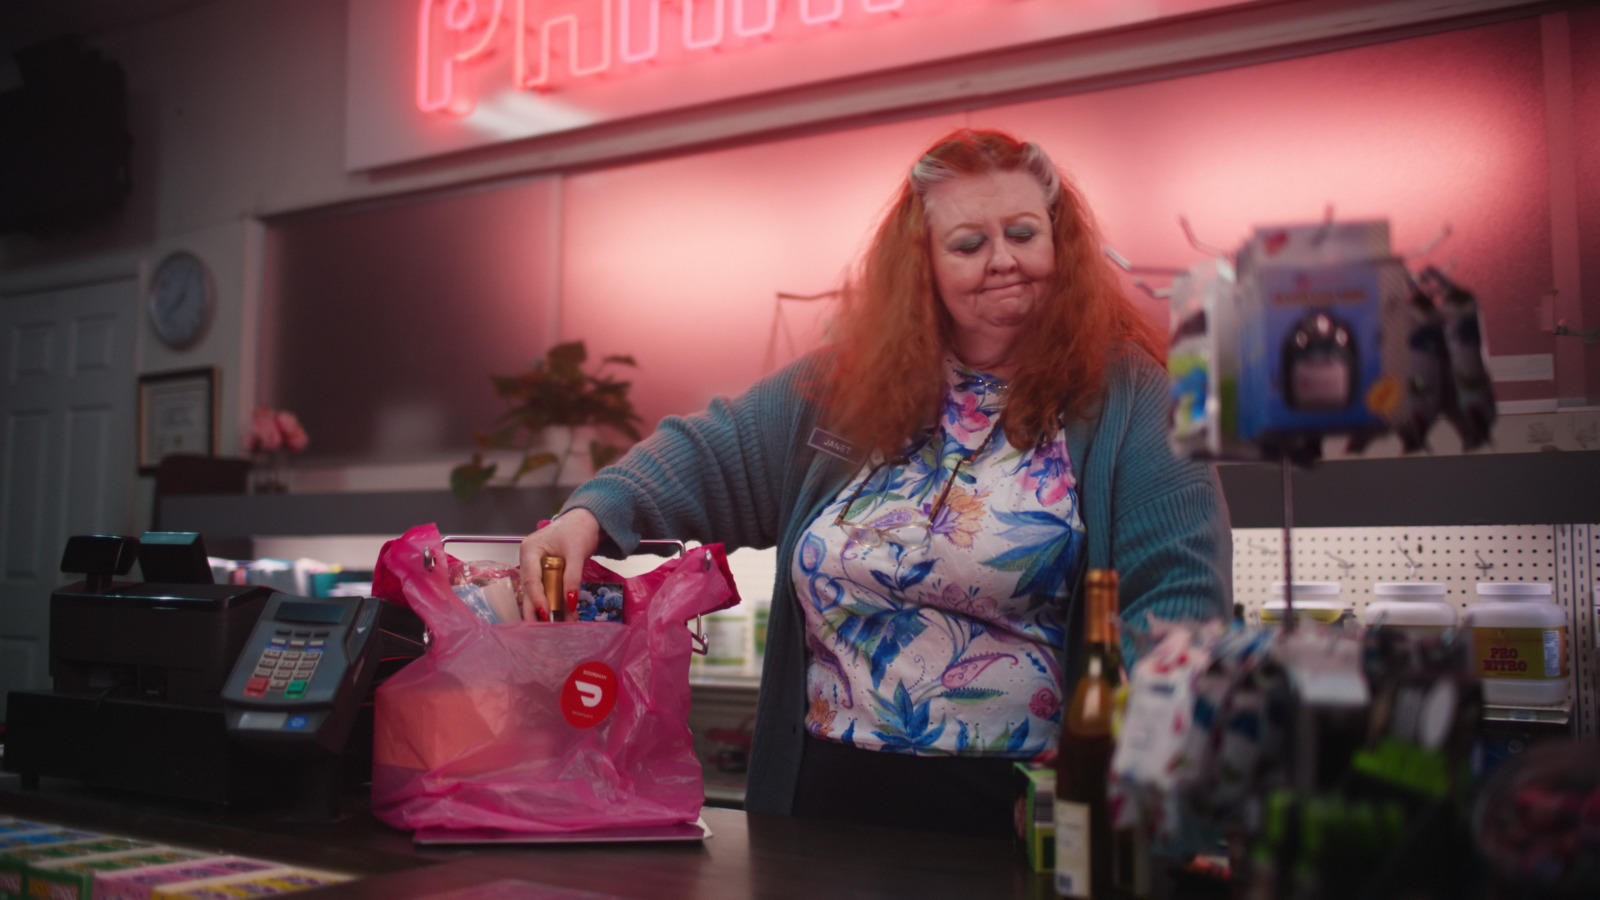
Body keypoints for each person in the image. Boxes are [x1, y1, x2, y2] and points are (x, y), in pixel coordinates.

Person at [520, 128, 1231, 839]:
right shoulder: (841, 388)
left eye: (1023, 233)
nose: (1004, 261)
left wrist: (1102, 782)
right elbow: (709, 452)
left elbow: (1177, 601)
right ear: (921, 264)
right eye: (967, 244)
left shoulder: (1135, 399)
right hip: (821, 806)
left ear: (1060, 244)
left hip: (1021, 817)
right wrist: (587, 516)